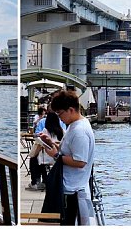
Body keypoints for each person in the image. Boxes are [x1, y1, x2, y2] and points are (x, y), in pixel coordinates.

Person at [42, 89, 95, 225]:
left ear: (71, 110)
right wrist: (51, 143)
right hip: (69, 186)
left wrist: (55, 155)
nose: (59, 117)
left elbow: (80, 161)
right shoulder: (74, 125)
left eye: (60, 113)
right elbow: (70, 149)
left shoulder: (79, 131)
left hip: (72, 189)